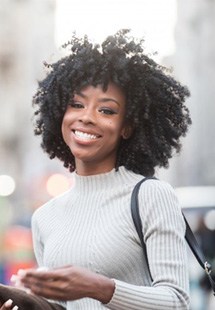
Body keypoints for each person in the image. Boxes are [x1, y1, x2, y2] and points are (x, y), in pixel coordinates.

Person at [0, 29, 192, 309]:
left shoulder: (151, 195)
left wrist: (99, 287)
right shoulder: (45, 218)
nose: (86, 117)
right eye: (76, 104)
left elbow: (177, 302)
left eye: (106, 110)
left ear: (127, 127)